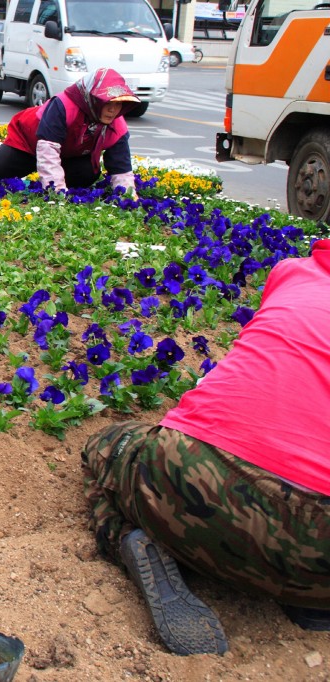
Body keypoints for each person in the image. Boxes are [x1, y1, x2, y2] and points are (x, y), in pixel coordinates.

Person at [82, 238, 330, 656]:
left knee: (106, 446)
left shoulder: (294, 271)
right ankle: (312, 603)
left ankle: (132, 538)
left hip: (200, 477)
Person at [0, 68, 138, 198]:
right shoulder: (63, 106)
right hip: (29, 145)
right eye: (108, 102)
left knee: (88, 174)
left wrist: (128, 197)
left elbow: (121, 166)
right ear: (93, 99)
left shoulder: (116, 123)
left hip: (67, 155)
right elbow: (47, 150)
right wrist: (57, 193)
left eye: (118, 104)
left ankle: (49, 181)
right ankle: (44, 179)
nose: (113, 110)